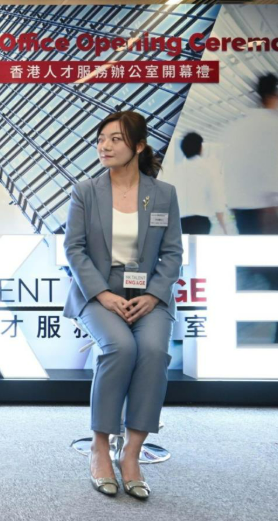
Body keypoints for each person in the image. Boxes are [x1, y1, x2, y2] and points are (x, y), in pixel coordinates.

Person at [63, 111, 183, 500]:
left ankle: (131, 454)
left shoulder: (163, 194)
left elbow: (172, 253)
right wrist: (102, 293)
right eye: (101, 139)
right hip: (99, 293)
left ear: (139, 146)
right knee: (120, 347)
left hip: (150, 296)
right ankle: (100, 448)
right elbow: (74, 249)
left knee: (153, 351)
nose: (105, 145)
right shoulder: (85, 191)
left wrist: (154, 295)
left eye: (115, 139)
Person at [221, 73, 278, 342]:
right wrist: (273, 208)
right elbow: (276, 172)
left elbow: (229, 170)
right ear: (274, 95)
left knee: (254, 270)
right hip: (266, 212)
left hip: (241, 213)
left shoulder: (236, 127)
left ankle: (239, 327)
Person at [168, 132, 227, 234]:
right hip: (200, 221)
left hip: (179, 221)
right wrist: (223, 226)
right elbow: (216, 197)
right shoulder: (207, 169)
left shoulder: (175, 171)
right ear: (200, 148)